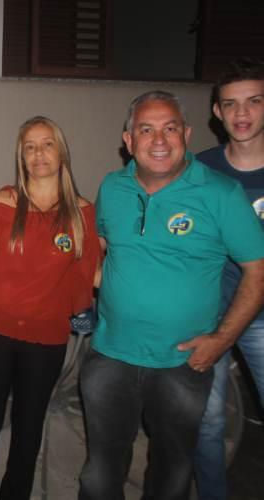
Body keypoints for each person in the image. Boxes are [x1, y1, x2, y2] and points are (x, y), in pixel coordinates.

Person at [78, 90, 264, 500]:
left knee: (172, 472)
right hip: (110, 356)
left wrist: (222, 340)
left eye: (170, 128)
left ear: (187, 134)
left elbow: (258, 270)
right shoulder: (112, 187)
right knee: (99, 473)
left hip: (182, 362)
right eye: (146, 130)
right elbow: (104, 248)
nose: (159, 140)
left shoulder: (221, 193)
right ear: (129, 141)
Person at [0, 116, 100, 500]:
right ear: (22, 157)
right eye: (30, 147)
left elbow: (87, 276)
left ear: (61, 152)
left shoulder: (82, 213)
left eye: (47, 144)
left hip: (46, 340)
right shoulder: (0, 205)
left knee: (28, 432)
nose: (39, 154)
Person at [194, 58, 264, 500]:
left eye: (254, 101)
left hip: (263, 319)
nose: (242, 113)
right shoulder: (200, 169)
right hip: (211, 315)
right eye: (231, 104)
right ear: (217, 112)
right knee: (208, 422)